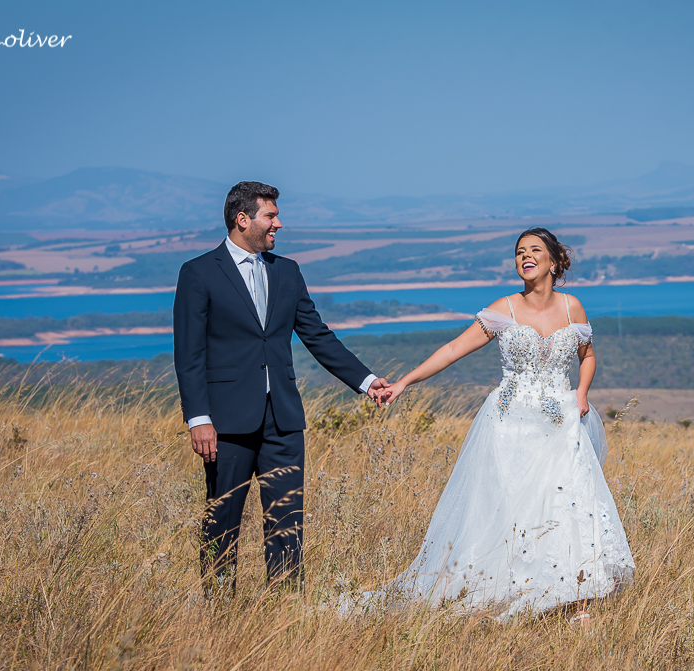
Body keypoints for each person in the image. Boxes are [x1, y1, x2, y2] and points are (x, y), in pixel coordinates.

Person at [368, 227, 635, 620]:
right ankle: (513, 589)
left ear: (554, 261)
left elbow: (588, 355)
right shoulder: (504, 308)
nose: (525, 256)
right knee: (512, 508)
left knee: (567, 502)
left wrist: (581, 393)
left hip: (561, 423)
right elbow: (453, 349)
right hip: (511, 425)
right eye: (519, 252)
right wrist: (404, 382)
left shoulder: (572, 308)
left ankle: (575, 599)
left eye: (534, 250)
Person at [173, 181, 388, 596]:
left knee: (287, 522)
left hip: (284, 421)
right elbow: (189, 353)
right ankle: (219, 609)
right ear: (243, 219)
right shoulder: (198, 272)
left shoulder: (287, 271)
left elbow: (317, 336)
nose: (279, 224)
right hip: (226, 423)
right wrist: (199, 418)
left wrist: (365, 381)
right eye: (270, 216)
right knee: (222, 521)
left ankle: (285, 610)